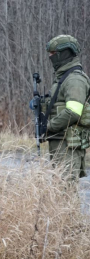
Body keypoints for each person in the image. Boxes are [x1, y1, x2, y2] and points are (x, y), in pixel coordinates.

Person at [43, 35, 89, 182]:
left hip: (68, 145)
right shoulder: (64, 78)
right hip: (60, 143)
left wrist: (49, 126)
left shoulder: (74, 79)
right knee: (59, 191)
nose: (50, 57)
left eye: (53, 54)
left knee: (65, 191)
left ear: (64, 54)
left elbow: (74, 112)